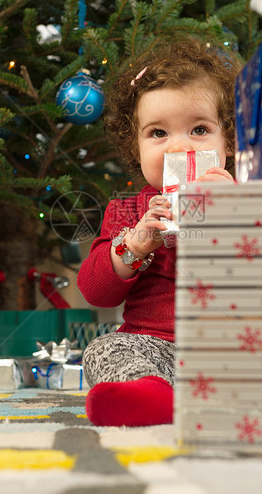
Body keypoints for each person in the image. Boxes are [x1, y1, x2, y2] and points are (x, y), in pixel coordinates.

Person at [77, 36, 242, 427]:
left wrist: (239, 214)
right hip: (156, 348)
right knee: (104, 348)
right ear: (135, 149)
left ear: (229, 141)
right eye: (158, 133)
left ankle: (240, 395)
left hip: (233, 349)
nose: (178, 147)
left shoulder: (247, 202)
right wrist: (133, 246)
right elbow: (94, 291)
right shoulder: (128, 211)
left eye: (199, 130)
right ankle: (148, 395)